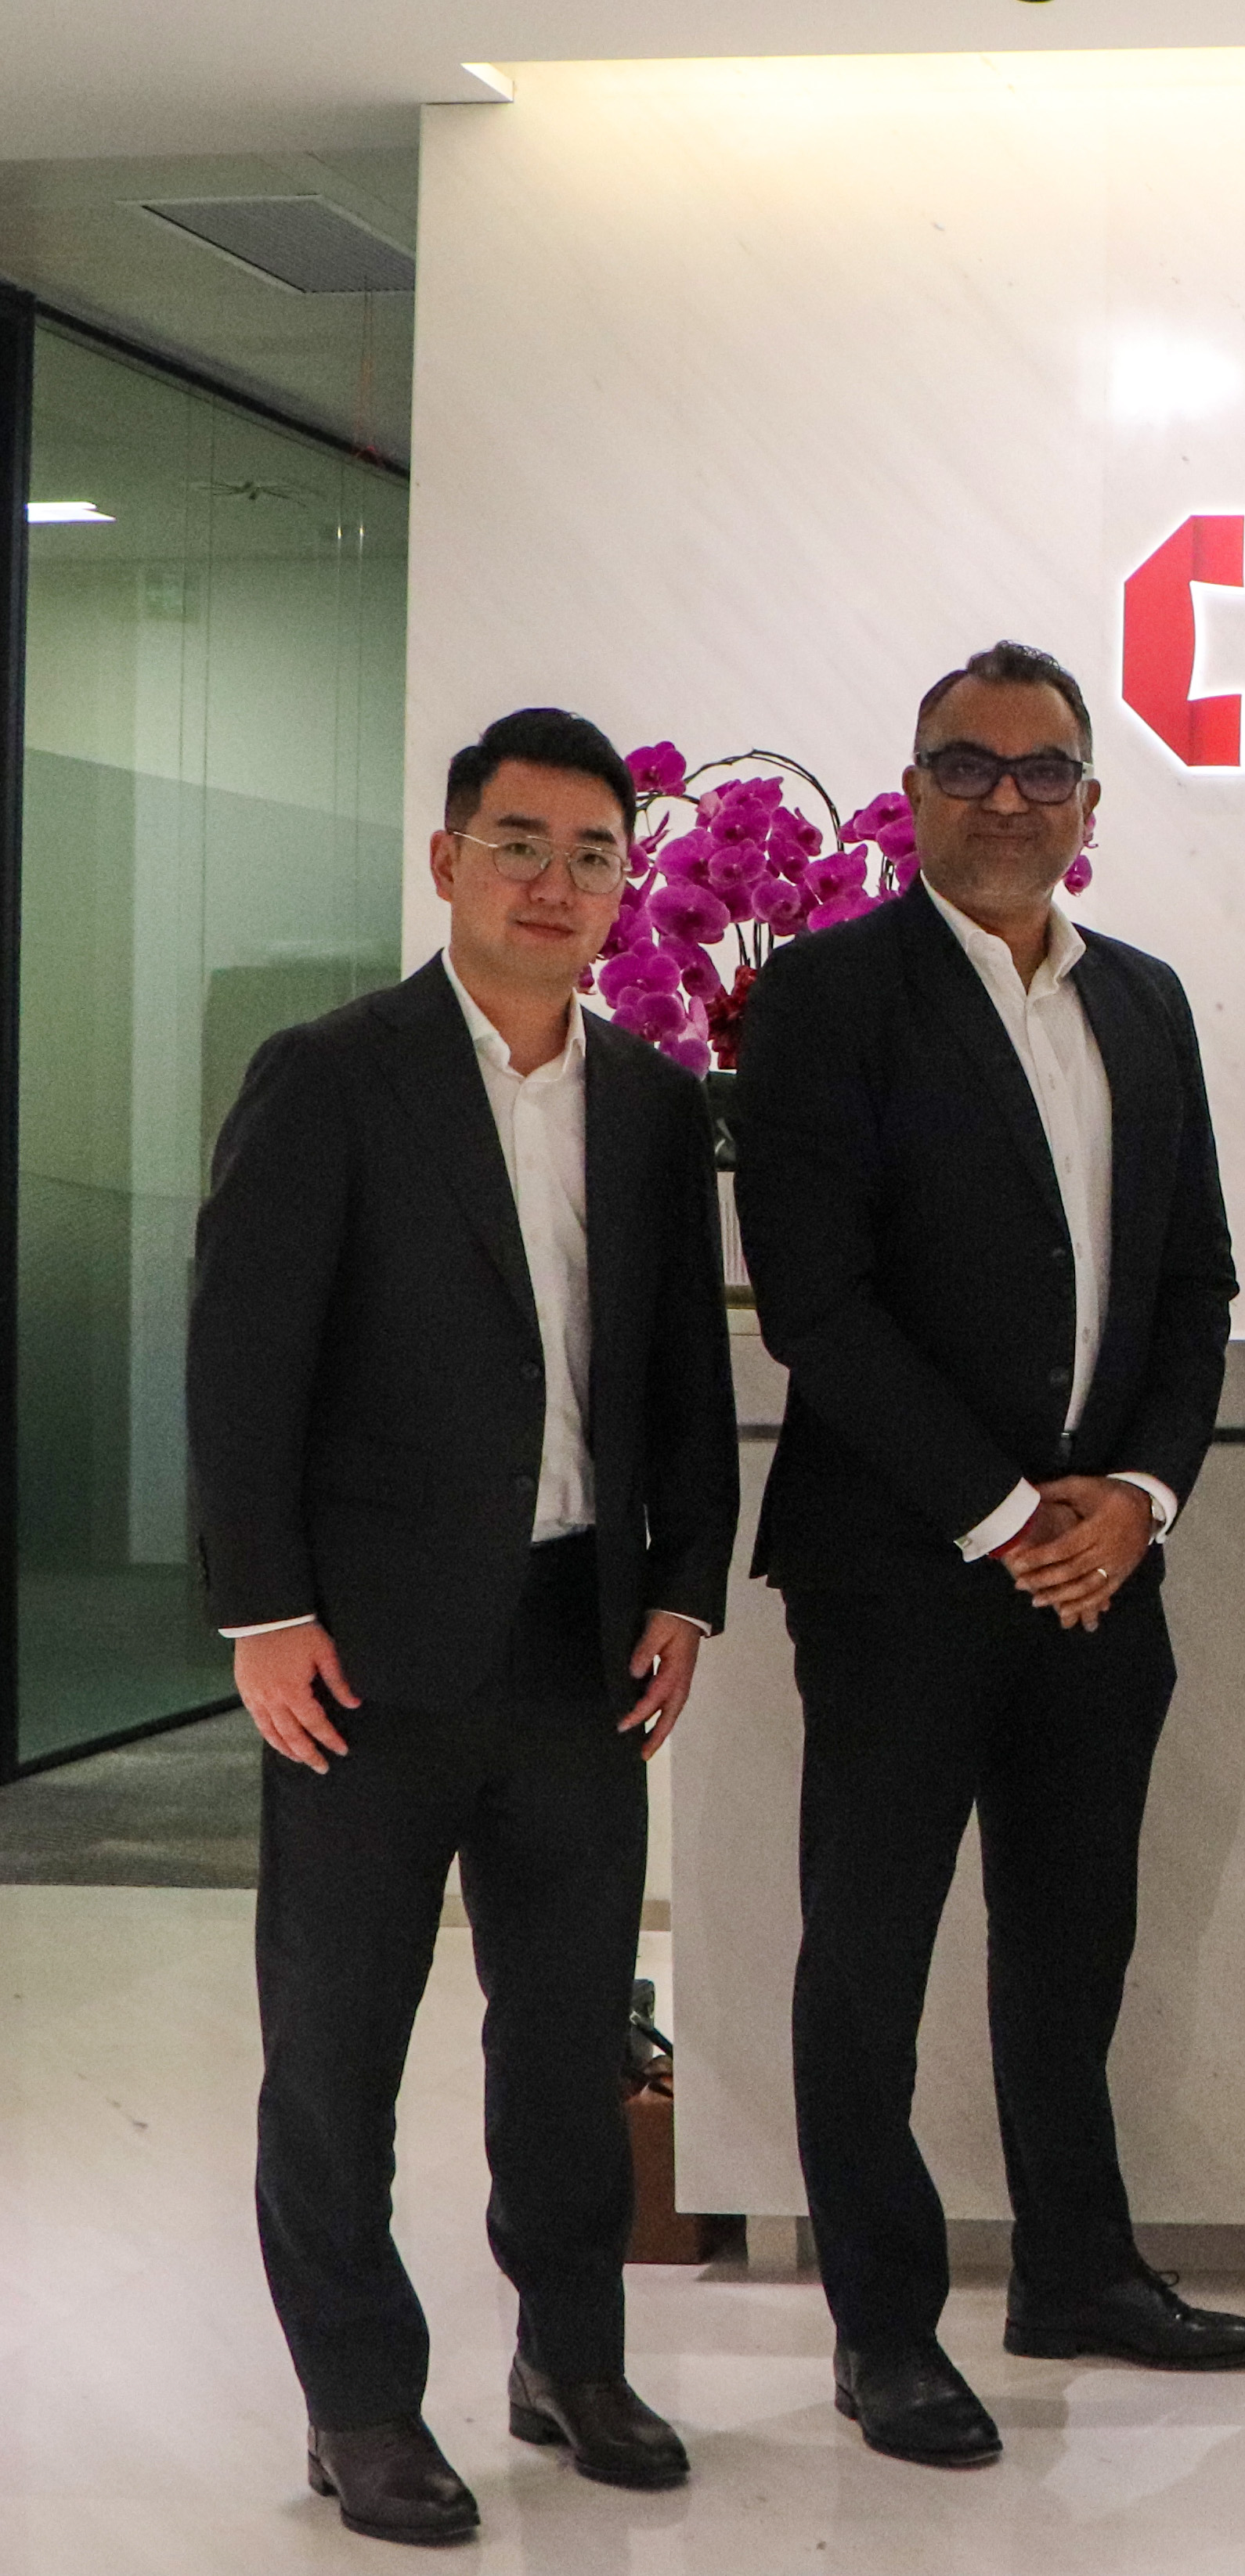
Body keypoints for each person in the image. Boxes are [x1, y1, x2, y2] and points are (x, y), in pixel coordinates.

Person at [190, 707, 735, 2542]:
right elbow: (240, 1365)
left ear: (624, 883)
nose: (553, 882)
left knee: (568, 2032)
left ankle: (570, 2355)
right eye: (518, 842)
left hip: (580, 1637)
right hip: (361, 1652)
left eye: (592, 853)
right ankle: (357, 2398)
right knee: (336, 2040)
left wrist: (682, 1585)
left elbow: (680, 1379)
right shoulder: (332, 1075)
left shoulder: (652, 1105)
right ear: (446, 859)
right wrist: (264, 1612)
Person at [733, 640, 1245, 2470]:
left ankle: (1076, 2267)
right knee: (866, 1955)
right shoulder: (826, 994)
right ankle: (883, 2328)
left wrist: (1141, 1495)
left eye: (1043, 771)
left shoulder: (1146, 1001)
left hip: (1105, 1569)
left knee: (1071, 1937)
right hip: (899, 1569)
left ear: (1090, 803)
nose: (1006, 798)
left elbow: (1195, 1283)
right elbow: (818, 1299)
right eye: (968, 765)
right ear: (914, 792)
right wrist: (1005, 1511)